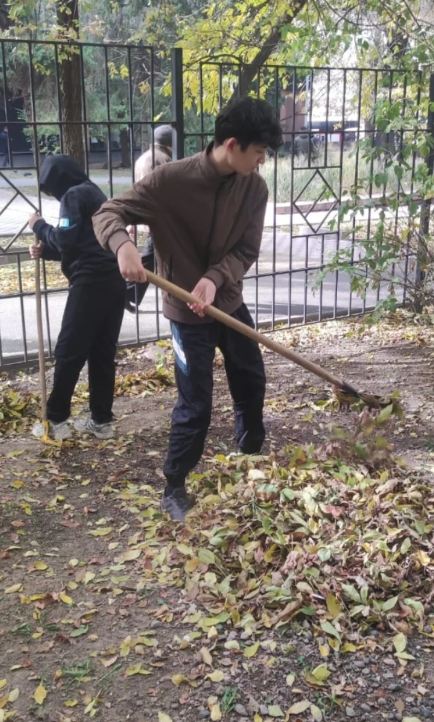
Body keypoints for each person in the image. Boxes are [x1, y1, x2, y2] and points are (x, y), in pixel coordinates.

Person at [93, 97, 283, 521]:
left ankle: (250, 454)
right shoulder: (169, 182)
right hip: (186, 313)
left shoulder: (254, 188)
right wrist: (122, 245)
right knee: (195, 401)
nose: (262, 161)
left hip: (228, 303)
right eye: (259, 152)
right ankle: (174, 485)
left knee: (251, 378)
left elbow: (246, 250)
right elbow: (107, 212)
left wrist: (214, 278)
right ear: (232, 145)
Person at [28, 154, 126, 441]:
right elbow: (83, 242)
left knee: (69, 351)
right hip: (114, 281)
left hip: (90, 284)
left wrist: (38, 226)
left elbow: (64, 238)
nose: (54, 194)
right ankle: (101, 421)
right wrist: (46, 251)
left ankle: (55, 420)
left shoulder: (73, 195)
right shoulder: (94, 193)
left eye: (50, 189)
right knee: (102, 352)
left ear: (58, 180)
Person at [125, 125, 174, 313]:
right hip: (162, 217)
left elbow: (136, 190)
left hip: (148, 214)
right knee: (152, 258)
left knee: (152, 258)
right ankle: (128, 293)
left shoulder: (142, 158)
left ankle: (129, 293)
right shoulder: (164, 160)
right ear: (170, 143)